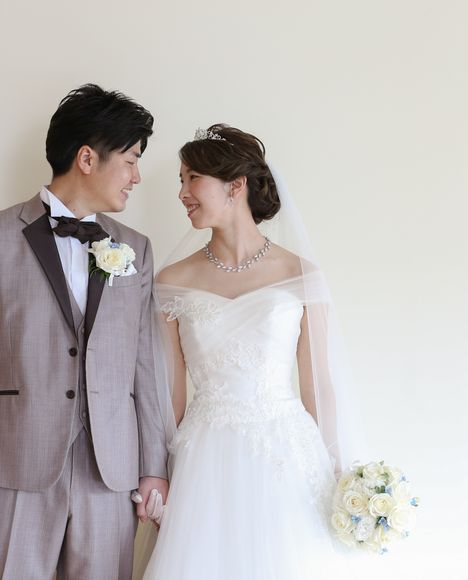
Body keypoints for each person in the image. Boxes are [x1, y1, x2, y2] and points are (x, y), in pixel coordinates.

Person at [142, 125, 362, 579]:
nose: (182, 193)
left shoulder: (301, 275)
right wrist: (159, 471)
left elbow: (318, 383)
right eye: (181, 181)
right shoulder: (171, 281)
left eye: (192, 179)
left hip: (287, 451)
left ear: (235, 185)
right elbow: (168, 394)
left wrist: (339, 467)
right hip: (204, 457)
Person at [0, 84, 170, 579]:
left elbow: (145, 363)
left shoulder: (136, 247)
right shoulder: (2, 237)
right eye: (131, 160)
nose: (137, 177)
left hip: (110, 469)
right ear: (88, 158)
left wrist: (153, 467)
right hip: (17, 460)